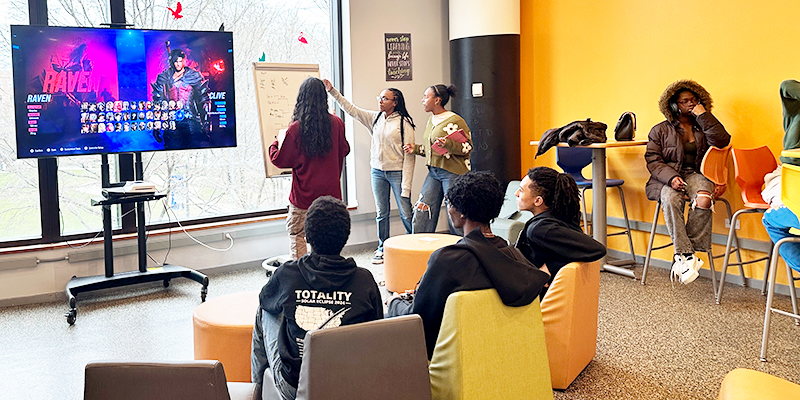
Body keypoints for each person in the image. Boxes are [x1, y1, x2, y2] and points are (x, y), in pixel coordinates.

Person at [386, 171, 549, 358]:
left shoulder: (446, 260)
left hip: (452, 356)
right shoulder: (514, 255)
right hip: (498, 352)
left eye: (449, 204)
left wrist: (395, 303)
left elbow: (418, 320)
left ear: (461, 212)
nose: (449, 209)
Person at [251, 196, 384, 400]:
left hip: (295, 387)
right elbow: (376, 329)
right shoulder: (364, 280)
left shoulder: (287, 274)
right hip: (350, 384)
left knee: (265, 310)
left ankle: (256, 391)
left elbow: (265, 300)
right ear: (345, 237)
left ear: (307, 237)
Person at [645, 79, 731, 285]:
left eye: (694, 100)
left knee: (703, 199)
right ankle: (687, 255)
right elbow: (653, 160)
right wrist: (671, 178)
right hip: (668, 175)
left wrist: (703, 115)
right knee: (670, 198)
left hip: (697, 173)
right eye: (685, 101)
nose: (691, 104)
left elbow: (722, 141)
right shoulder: (660, 130)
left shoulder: (703, 124)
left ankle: (685, 256)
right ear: (674, 105)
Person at [323, 79, 415, 264]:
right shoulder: (375, 118)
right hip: (378, 172)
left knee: (406, 212)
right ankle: (382, 248)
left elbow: (410, 157)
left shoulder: (405, 123)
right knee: (382, 213)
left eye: (384, 98)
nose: (380, 101)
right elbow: (351, 110)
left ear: (395, 102)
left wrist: (406, 185)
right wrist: (332, 91)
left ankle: (413, 245)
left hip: (397, 172)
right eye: (379, 98)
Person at [270, 77, 350, 260]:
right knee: (328, 239)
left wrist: (275, 144)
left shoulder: (296, 129)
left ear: (301, 99)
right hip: (331, 197)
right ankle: (327, 273)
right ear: (324, 98)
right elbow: (345, 149)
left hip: (303, 198)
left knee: (297, 235)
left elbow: (280, 160)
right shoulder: (336, 123)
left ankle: (302, 277)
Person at [514, 166, 607, 298]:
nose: (516, 193)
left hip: (534, 297)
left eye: (521, 191)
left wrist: (550, 267)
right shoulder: (563, 215)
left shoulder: (541, 229)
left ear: (538, 201)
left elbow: (597, 249)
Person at [403, 84, 472, 235]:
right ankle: (419, 246)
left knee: (454, 210)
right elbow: (433, 149)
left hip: (452, 172)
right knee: (423, 208)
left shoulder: (455, 120)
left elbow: (467, 147)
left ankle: (462, 248)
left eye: (426, 97)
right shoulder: (431, 120)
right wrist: (415, 149)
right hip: (434, 171)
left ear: (437, 100)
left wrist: (448, 144)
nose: (422, 100)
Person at [151, 48, 210, 149]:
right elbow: (158, 102)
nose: (178, 64)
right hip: (172, 121)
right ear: (172, 62)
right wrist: (156, 126)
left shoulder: (193, 75)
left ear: (184, 61)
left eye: (180, 61)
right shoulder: (165, 76)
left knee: (192, 148)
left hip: (190, 120)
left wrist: (205, 122)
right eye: (176, 61)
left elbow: (203, 100)